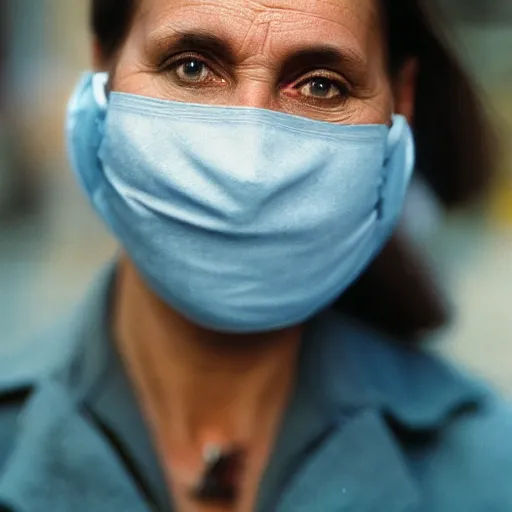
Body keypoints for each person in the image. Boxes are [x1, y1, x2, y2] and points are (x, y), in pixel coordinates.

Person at [0, 0, 511, 511]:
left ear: (401, 102)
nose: (249, 164)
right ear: (102, 72)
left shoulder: (490, 472)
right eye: (192, 67)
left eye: (320, 84)